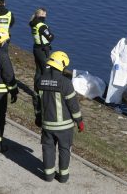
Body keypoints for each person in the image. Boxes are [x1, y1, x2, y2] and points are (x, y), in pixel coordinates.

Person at [33, 51, 84, 183]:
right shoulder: (65, 82)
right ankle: (63, 177)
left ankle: (48, 175)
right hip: (64, 126)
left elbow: (36, 102)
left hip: (47, 125)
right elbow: (73, 105)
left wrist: (38, 117)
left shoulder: (39, 80)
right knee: (64, 149)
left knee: (48, 148)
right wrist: (79, 121)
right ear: (61, 65)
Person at [29, 7, 54, 81]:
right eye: (45, 14)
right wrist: (51, 35)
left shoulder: (33, 24)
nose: (46, 16)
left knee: (38, 71)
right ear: (42, 15)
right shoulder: (41, 26)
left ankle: (36, 91)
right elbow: (50, 37)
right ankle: (44, 90)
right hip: (43, 50)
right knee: (46, 70)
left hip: (36, 48)